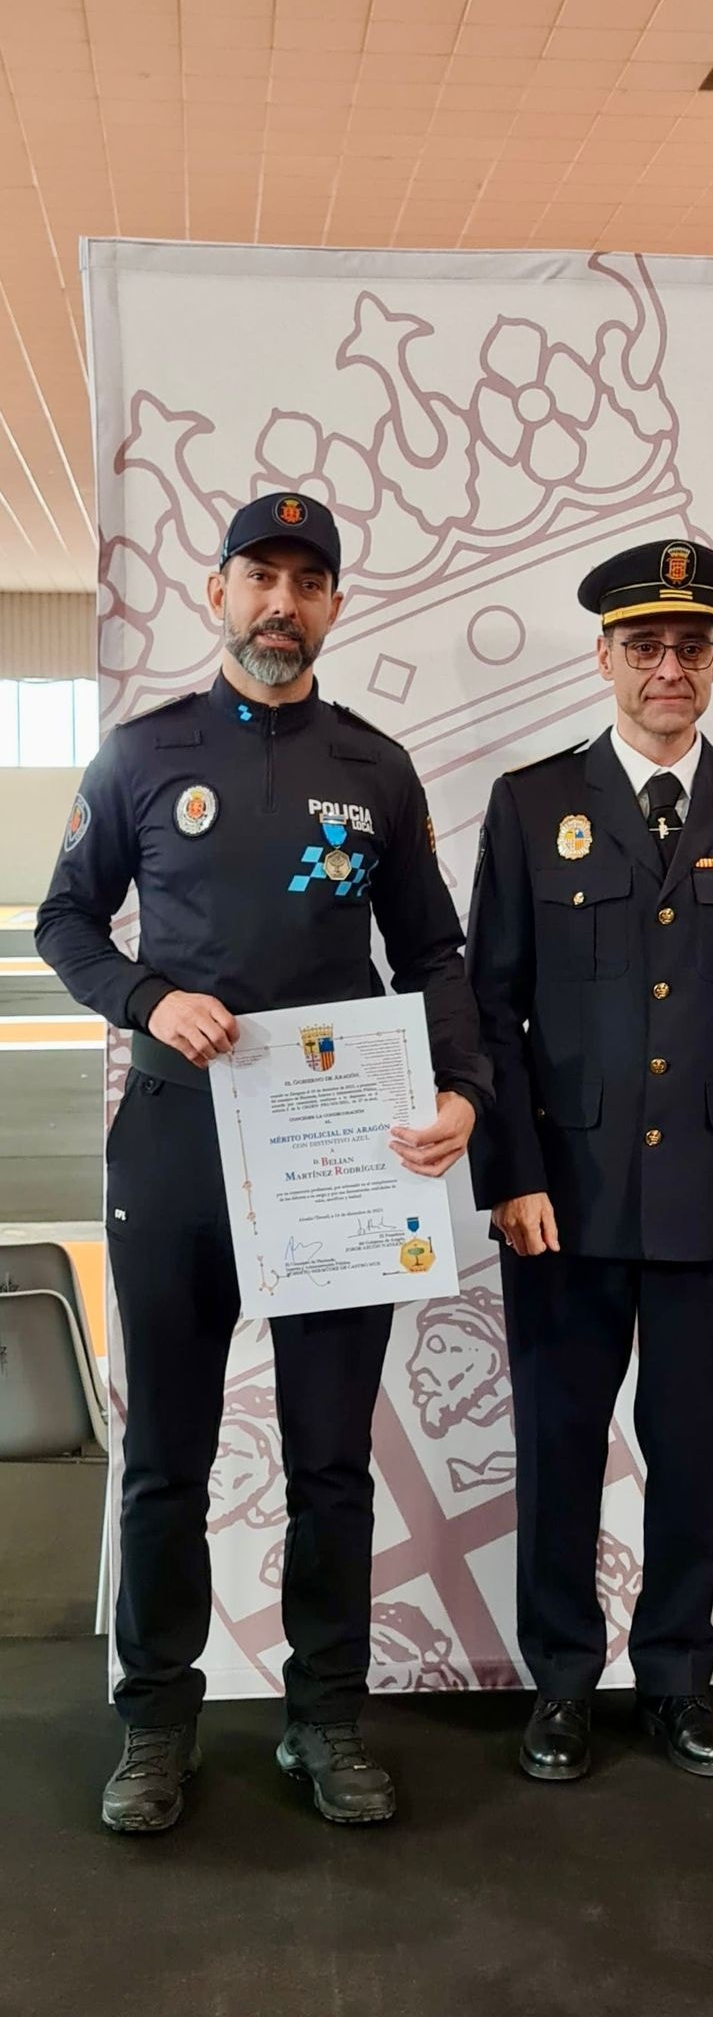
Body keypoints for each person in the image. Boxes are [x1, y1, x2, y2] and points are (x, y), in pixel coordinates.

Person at [37, 492, 489, 1833]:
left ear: (334, 605)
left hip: (335, 1151)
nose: (281, 602)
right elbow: (64, 919)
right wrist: (144, 997)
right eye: (260, 576)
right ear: (218, 592)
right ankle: (155, 1724)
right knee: (166, 1456)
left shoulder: (376, 768)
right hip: (177, 1137)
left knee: (330, 1459)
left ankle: (325, 1720)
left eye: (308, 581)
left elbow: (433, 952)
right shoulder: (142, 755)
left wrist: (464, 1088)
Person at [465, 537, 713, 1784]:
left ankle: (675, 1676)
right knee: (559, 1451)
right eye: (644, 645)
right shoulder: (529, 804)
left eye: (691, 646)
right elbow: (490, 1008)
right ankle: (561, 1681)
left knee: (693, 1455)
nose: (668, 667)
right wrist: (508, 1172)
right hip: (560, 1200)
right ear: (604, 657)